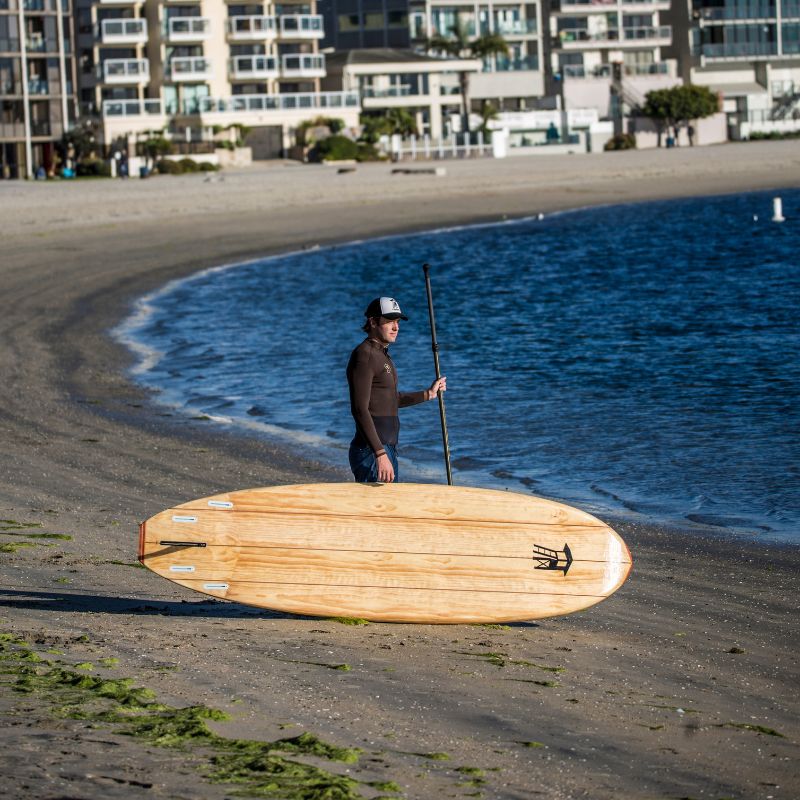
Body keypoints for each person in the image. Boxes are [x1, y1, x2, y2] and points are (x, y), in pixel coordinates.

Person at [347, 296, 446, 483]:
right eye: (390, 321)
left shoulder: (381, 355)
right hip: (372, 451)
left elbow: (390, 400)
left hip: (385, 449)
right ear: (373, 322)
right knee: (379, 511)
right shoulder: (365, 355)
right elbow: (359, 409)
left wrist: (429, 394)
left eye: (397, 322)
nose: (396, 327)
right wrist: (380, 453)